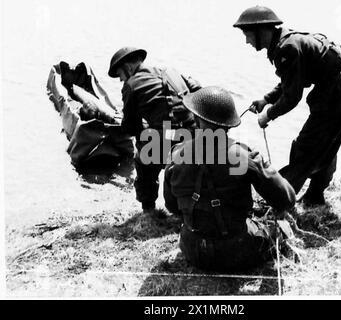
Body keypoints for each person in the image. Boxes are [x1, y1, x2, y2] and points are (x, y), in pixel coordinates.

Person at [233, 6, 341, 205]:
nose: (247, 41)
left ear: (261, 31)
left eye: (248, 35)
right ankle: (315, 196)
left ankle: (281, 199)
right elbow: (292, 79)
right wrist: (266, 100)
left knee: (305, 147)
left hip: (337, 92)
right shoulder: (287, 40)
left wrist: (268, 115)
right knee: (327, 144)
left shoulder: (287, 48)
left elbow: (292, 97)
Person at [163, 86, 295, 271]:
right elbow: (287, 199)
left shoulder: (176, 154)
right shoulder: (242, 156)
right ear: (228, 124)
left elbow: (172, 206)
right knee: (281, 227)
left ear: (197, 119)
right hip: (236, 252)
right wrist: (260, 164)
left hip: (192, 250)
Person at [108, 47, 202, 216]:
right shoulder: (170, 71)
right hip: (196, 135)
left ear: (128, 68)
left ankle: (148, 209)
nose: (121, 80)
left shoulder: (131, 84)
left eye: (120, 75)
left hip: (170, 141)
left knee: (142, 156)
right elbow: (199, 91)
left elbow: (131, 126)